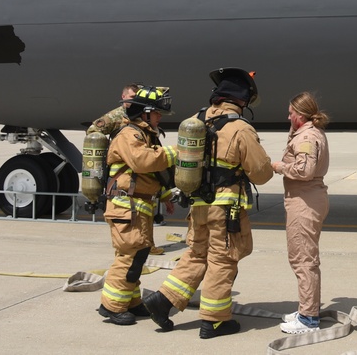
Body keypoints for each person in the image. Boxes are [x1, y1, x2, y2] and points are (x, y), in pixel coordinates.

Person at [143, 68, 273, 339]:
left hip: (198, 205)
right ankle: (214, 320)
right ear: (241, 99)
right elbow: (261, 174)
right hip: (226, 209)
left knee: (196, 254)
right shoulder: (240, 128)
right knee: (223, 260)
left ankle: (163, 300)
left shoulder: (195, 121)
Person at [98, 86, 178, 326]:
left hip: (137, 206)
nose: (160, 118)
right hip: (126, 206)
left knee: (138, 255)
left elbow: (153, 175)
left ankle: (130, 301)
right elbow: (143, 162)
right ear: (145, 113)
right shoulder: (129, 135)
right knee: (129, 256)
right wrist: (176, 153)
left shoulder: (145, 135)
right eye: (157, 114)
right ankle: (111, 306)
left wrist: (164, 195)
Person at [271, 92, 331, 334]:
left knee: (303, 259)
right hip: (307, 198)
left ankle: (308, 319)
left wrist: (279, 167)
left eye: (291, 113)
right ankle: (308, 309)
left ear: (301, 115)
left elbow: (304, 170)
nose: (288, 116)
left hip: (305, 201)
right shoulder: (308, 133)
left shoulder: (306, 136)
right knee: (304, 257)